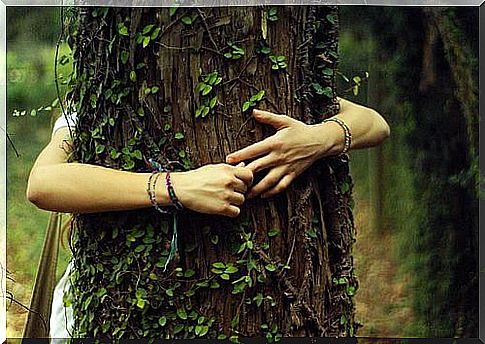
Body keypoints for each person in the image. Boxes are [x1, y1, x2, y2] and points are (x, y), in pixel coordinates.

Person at [27, 98, 390, 338]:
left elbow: (373, 122)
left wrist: (318, 138)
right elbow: (44, 183)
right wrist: (176, 186)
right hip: (112, 313)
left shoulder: (269, 69)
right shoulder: (103, 96)